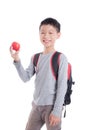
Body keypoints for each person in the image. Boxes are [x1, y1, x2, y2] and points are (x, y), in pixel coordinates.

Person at [10, 17, 68, 130]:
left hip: (52, 106)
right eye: (42, 33)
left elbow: (62, 86)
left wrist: (56, 111)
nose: (46, 36)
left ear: (58, 35)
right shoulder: (35, 57)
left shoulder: (60, 58)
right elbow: (25, 77)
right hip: (36, 106)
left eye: (50, 33)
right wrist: (17, 60)